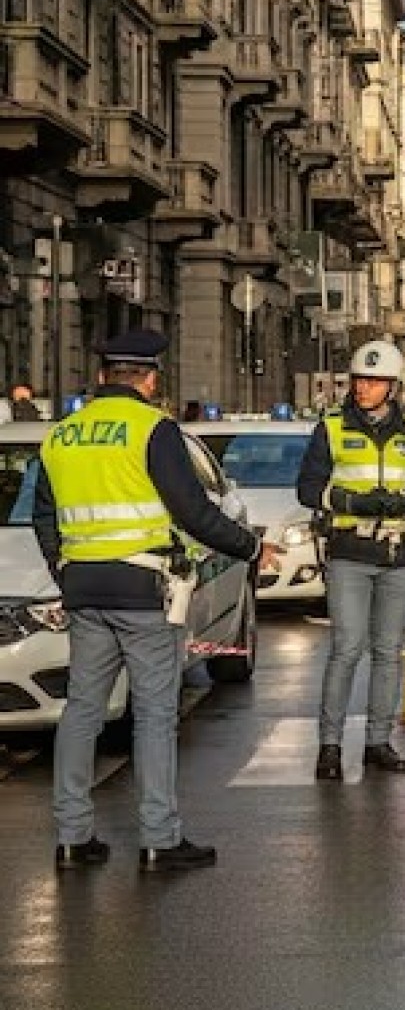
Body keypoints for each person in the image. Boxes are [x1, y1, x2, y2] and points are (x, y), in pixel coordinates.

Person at [34, 330, 277, 872]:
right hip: (144, 591)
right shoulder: (154, 429)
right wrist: (252, 547)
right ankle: (159, 840)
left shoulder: (61, 436)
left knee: (82, 711)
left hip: (83, 590)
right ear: (148, 380)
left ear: (101, 377)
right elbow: (192, 510)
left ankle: (74, 837)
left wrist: (66, 568)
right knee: (154, 714)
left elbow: (45, 517)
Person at [296, 341, 405, 780]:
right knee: (347, 648)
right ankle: (329, 745)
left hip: (399, 554)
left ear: (392, 387)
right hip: (349, 552)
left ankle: (378, 742)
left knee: (388, 652)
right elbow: (307, 488)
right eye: (360, 379)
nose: (364, 388)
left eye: (374, 381)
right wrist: (351, 500)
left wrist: (400, 504)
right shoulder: (332, 428)